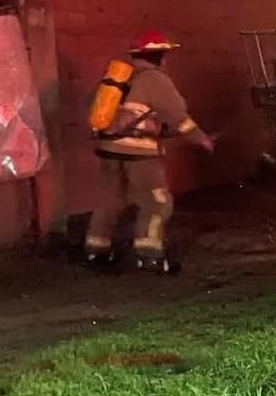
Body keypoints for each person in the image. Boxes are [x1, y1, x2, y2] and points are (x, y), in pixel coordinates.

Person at [84, 31, 215, 274]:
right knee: (158, 202)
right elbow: (177, 116)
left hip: (108, 150)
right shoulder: (155, 79)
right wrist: (201, 139)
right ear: (159, 56)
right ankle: (149, 254)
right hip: (140, 153)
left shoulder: (117, 78)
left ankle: (96, 250)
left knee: (111, 200)